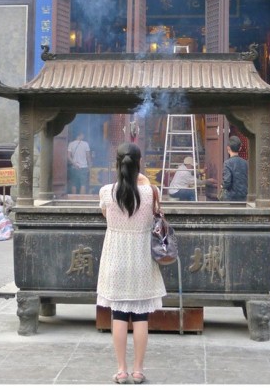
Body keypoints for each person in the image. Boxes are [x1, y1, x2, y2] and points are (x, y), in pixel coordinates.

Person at [97, 142, 167, 385]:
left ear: (117, 163)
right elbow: (157, 213)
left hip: (115, 258)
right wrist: (145, 182)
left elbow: (106, 215)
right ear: (140, 163)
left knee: (118, 316)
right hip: (141, 261)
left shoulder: (106, 191)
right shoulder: (152, 192)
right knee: (140, 319)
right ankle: (138, 370)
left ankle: (121, 370)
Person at [221, 135, 248, 201]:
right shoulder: (245, 163)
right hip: (244, 195)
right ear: (240, 148)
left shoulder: (227, 163)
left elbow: (227, 182)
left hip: (231, 196)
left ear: (228, 148)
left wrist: (222, 186)